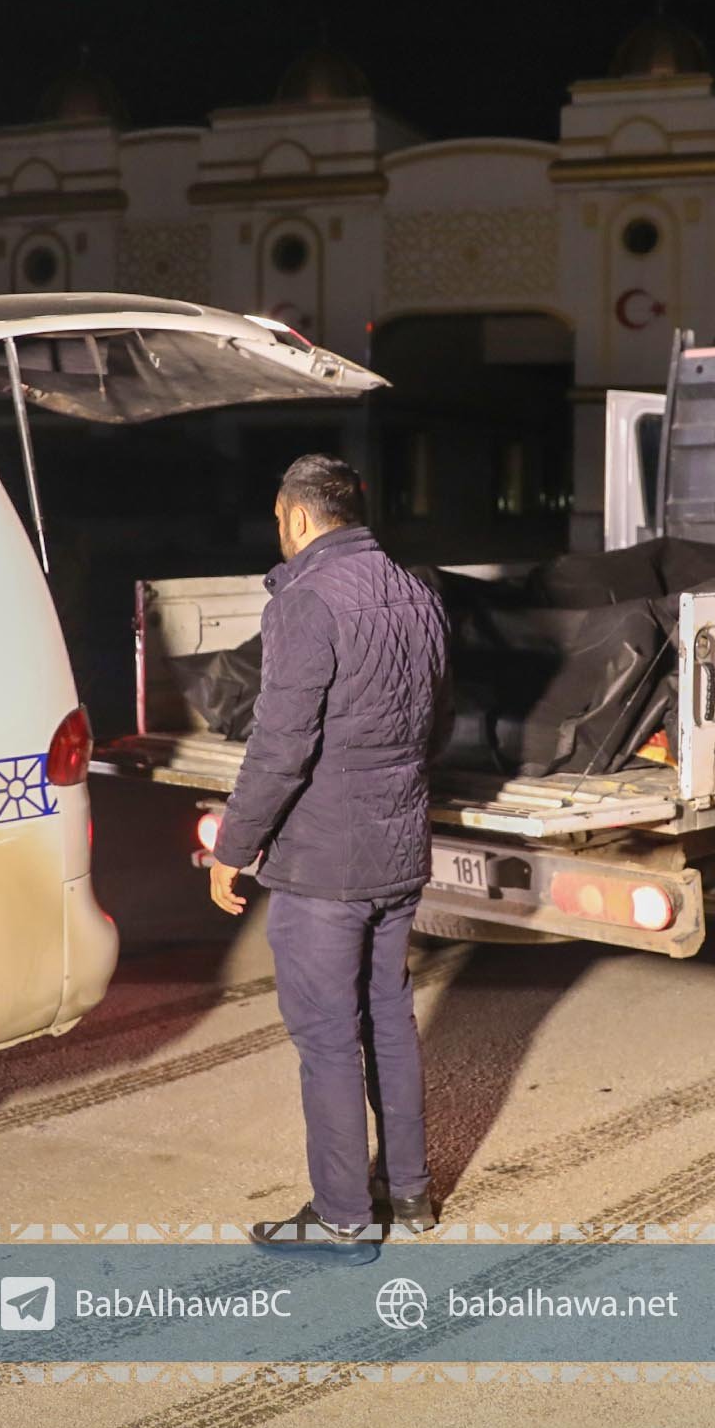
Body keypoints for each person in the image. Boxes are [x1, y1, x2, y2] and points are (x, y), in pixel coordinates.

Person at [209, 453, 451, 1264]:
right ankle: (410, 1193)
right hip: (399, 843)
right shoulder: (416, 590)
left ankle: (344, 1218)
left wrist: (232, 848)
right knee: (388, 1018)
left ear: (301, 517)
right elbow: (435, 719)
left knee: (325, 1038)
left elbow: (280, 744)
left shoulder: (307, 601)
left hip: (325, 860)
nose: (280, 535)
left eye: (281, 521)